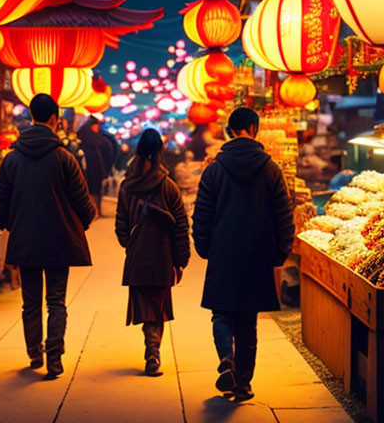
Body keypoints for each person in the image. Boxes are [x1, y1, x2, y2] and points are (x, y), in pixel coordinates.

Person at [192, 107, 294, 402]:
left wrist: (204, 247)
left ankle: (227, 359)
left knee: (222, 312)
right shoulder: (271, 168)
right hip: (258, 254)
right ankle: (243, 384)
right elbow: (284, 216)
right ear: (254, 128)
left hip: (223, 251)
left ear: (230, 130)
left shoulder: (214, 169)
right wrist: (280, 253)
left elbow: (202, 215)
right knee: (247, 322)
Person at [0, 94, 96, 379]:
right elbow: (83, 202)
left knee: (30, 301)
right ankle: (55, 357)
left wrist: (7, 223)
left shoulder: (12, 159)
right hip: (59, 240)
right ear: (55, 119)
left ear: (31, 116)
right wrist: (82, 223)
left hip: (25, 239)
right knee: (57, 300)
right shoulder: (65, 158)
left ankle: (34, 353)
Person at [114, 129, 189, 375]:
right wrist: (180, 260)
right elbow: (180, 226)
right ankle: (153, 353)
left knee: (145, 305)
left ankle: (152, 350)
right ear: (160, 152)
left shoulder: (127, 186)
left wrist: (131, 244)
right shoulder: (168, 187)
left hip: (138, 257)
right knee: (158, 306)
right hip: (162, 256)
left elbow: (120, 225)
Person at [78, 115, 109, 215]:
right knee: (93, 190)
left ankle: (94, 211)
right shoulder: (92, 139)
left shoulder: (88, 137)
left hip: (92, 170)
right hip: (91, 170)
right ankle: (94, 211)